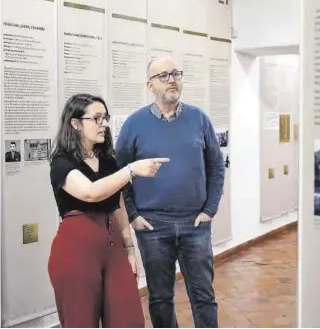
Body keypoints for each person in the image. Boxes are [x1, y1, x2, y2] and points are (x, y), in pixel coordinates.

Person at [115, 57, 225, 328]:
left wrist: (210, 209)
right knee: (160, 297)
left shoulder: (199, 119)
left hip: (195, 224)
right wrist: (133, 214)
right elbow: (120, 175)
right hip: (153, 227)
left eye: (176, 73)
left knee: (203, 295)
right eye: (164, 75)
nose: (172, 79)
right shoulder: (134, 124)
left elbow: (216, 167)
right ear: (149, 85)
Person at [47, 93, 170, 328]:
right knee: (80, 322)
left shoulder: (107, 161)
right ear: (75, 124)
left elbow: (118, 203)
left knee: (129, 319)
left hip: (113, 247)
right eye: (97, 118)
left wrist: (131, 249)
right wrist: (132, 169)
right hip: (76, 252)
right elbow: (90, 192)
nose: (104, 124)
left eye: (105, 117)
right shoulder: (61, 163)